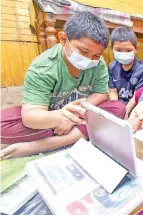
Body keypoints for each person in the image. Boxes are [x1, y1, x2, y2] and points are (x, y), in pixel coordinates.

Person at [0, 11, 126, 159]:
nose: (89, 59)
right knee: (3, 125)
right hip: (51, 111)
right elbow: (31, 115)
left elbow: (101, 94)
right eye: (83, 51)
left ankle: (46, 144)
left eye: (96, 56)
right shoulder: (44, 67)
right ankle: (80, 133)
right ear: (63, 39)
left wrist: (73, 115)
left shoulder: (98, 63)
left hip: (80, 112)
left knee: (117, 108)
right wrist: (58, 117)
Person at [108, 27, 143, 119]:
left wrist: (126, 111)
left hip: (134, 107)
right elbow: (113, 92)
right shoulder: (112, 67)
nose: (123, 53)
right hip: (118, 105)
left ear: (136, 49)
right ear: (111, 48)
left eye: (128, 50)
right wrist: (116, 110)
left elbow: (137, 95)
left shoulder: (142, 69)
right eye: (118, 50)